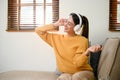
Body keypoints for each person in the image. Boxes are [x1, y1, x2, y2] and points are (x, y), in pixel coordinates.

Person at [35, 13, 102, 80]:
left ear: (76, 28)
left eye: (69, 23)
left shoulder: (82, 40)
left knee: (76, 77)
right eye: (66, 21)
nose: (65, 24)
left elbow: (78, 64)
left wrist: (87, 52)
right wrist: (56, 24)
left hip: (83, 72)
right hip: (67, 73)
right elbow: (38, 30)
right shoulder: (56, 38)